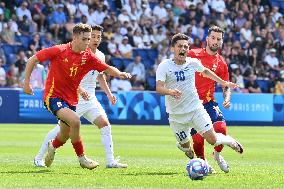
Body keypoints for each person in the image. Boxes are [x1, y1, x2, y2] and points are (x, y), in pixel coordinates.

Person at [23, 23, 131, 170]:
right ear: (74, 37)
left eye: (90, 39)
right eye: (85, 39)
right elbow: (32, 59)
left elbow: (105, 69)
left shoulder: (89, 56)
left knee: (64, 134)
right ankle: (81, 158)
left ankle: (53, 146)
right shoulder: (59, 50)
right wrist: (26, 83)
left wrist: (119, 73)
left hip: (73, 99)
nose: (88, 42)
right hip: (54, 96)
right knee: (75, 121)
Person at [156, 33, 243, 168]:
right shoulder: (164, 66)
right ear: (173, 48)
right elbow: (159, 88)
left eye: (185, 46)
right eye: (180, 46)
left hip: (196, 109)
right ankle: (184, 146)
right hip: (176, 115)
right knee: (188, 150)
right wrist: (170, 92)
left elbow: (206, 72)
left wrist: (224, 82)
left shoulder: (193, 63)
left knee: (213, 139)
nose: (183, 49)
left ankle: (229, 141)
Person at [187, 26, 233, 173]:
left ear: (221, 42)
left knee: (221, 129)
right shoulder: (192, 54)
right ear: (207, 39)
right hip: (192, 104)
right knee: (198, 140)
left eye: (218, 39)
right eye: (213, 38)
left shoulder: (222, 63)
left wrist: (227, 98)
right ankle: (203, 162)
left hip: (209, 102)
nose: (215, 41)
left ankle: (217, 154)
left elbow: (226, 85)